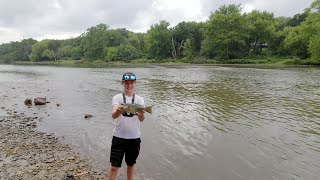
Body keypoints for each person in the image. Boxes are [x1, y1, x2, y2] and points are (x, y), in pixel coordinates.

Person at [109, 72, 145, 180]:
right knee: (114, 167)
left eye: (131, 83)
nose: (129, 85)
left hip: (134, 139)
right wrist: (119, 111)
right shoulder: (117, 98)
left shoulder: (140, 99)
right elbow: (114, 115)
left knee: (130, 165)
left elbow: (142, 119)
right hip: (118, 137)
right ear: (122, 83)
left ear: (135, 83)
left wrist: (141, 114)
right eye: (126, 83)